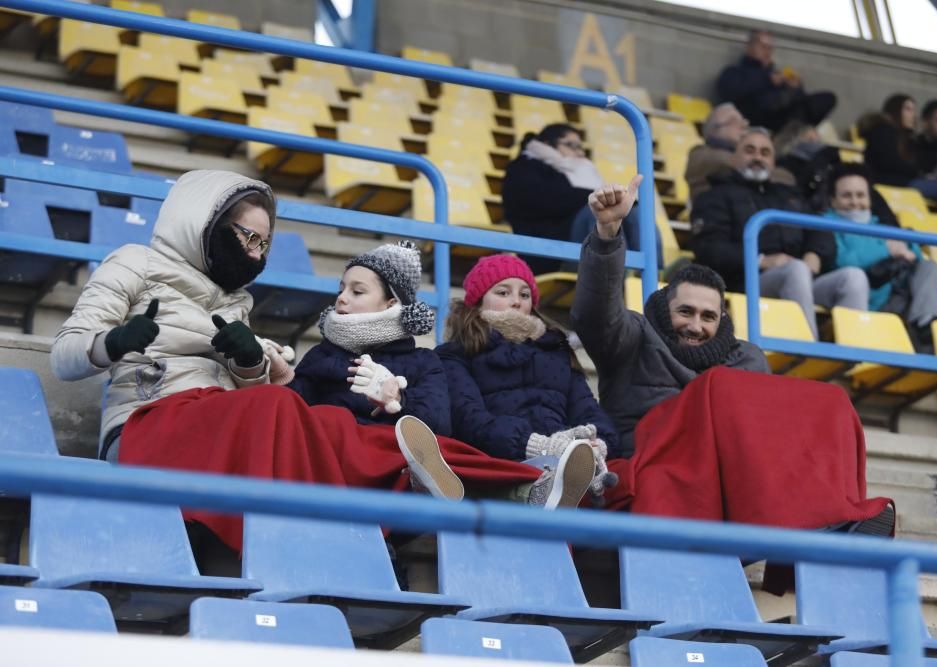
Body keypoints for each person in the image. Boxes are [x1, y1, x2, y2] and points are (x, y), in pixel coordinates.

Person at [48, 171, 577, 555]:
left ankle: (518, 481)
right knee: (281, 408)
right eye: (243, 235)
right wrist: (113, 344)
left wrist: (251, 363)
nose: (254, 251)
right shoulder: (134, 263)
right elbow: (65, 358)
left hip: (214, 421)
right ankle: (331, 543)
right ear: (204, 220)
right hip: (145, 423)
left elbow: (241, 387)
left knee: (335, 426)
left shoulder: (236, 302)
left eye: (263, 241)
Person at [571, 174, 894, 542]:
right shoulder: (633, 338)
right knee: (719, 388)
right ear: (664, 308)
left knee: (829, 402)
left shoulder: (746, 359)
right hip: (654, 464)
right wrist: (607, 232)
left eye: (708, 316)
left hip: (725, 481)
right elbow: (594, 314)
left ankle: (835, 520)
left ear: (722, 320)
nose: (695, 325)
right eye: (685, 312)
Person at [285, 240, 595, 508]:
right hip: (347, 458)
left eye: (357, 291)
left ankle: (528, 487)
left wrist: (399, 399)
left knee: (452, 452)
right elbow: (294, 410)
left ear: (392, 302)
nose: (341, 298)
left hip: (396, 456)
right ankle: (429, 482)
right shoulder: (321, 356)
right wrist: (274, 375)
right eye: (341, 289)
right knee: (332, 421)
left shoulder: (422, 361)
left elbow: (438, 423)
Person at [436, 254, 618, 505]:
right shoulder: (456, 354)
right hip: (497, 463)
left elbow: (588, 410)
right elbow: (469, 420)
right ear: (477, 303)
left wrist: (597, 444)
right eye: (503, 293)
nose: (516, 302)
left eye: (524, 295)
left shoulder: (557, 351)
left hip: (563, 461)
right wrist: (537, 446)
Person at [689, 127, 869, 338]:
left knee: (853, 277)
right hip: (744, 284)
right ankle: (807, 351)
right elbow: (709, 249)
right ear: (735, 157)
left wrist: (815, 254)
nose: (758, 157)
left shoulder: (789, 196)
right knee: (795, 270)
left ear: (773, 162)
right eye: (750, 150)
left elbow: (820, 230)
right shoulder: (714, 196)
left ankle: (856, 358)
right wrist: (761, 260)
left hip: (801, 281)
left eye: (765, 153)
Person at [501, 123, 660, 274]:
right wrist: (597, 198)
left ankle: (653, 276)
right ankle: (616, 274)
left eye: (581, 147)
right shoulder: (523, 168)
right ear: (546, 143)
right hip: (552, 254)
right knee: (597, 211)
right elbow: (548, 200)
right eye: (572, 145)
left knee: (638, 212)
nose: (580, 153)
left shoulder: (580, 172)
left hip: (581, 245)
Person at [826, 164, 937, 353]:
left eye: (860, 195)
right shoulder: (825, 225)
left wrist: (909, 252)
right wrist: (887, 251)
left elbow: (916, 259)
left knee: (928, 267)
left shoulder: (884, 227)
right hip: (867, 301)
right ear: (833, 200)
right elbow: (843, 262)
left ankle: (926, 325)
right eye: (847, 195)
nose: (855, 201)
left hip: (901, 298)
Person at [860, 94, 937, 203]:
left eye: (913, 110)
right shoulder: (882, 131)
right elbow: (888, 163)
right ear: (895, 109)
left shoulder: (905, 139)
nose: (913, 115)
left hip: (907, 182)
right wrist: (920, 173)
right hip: (893, 183)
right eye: (908, 109)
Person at [717, 29, 836, 134]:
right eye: (763, 47)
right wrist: (767, 80)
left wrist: (795, 88)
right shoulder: (735, 72)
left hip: (785, 117)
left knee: (826, 99)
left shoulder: (778, 75)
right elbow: (731, 92)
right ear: (749, 47)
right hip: (756, 117)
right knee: (769, 102)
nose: (767, 52)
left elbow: (802, 103)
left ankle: (796, 132)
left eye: (770, 48)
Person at [685, 102, 796, 199]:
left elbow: (787, 178)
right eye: (733, 121)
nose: (744, 125)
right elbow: (723, 161)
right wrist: (763, 165)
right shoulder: (700, 154)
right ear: (715, 130)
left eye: (743, 120)